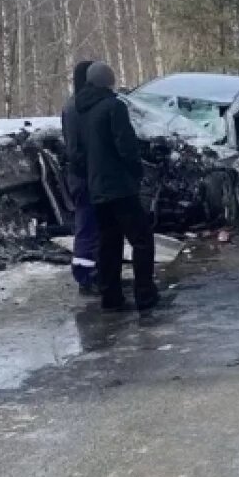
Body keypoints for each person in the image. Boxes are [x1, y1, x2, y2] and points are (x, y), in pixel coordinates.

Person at [70, 62, 159, 311]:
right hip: (120, 187)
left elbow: (77, 153)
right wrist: (136, 172)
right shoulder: (113, 107)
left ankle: (110, 296)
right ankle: (145, 295)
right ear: (108, 82)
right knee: (141, 240)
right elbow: (126, 146)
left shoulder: (81, 110)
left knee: (108, 242)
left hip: (97, 188)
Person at [60, 60, 99, 295]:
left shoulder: (70, 106)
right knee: (88, 225)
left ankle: (88, 271)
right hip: (87, 176)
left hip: (79, 177)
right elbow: (79, 148)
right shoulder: (82, 107)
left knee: (87, 224)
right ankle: (86, 273)